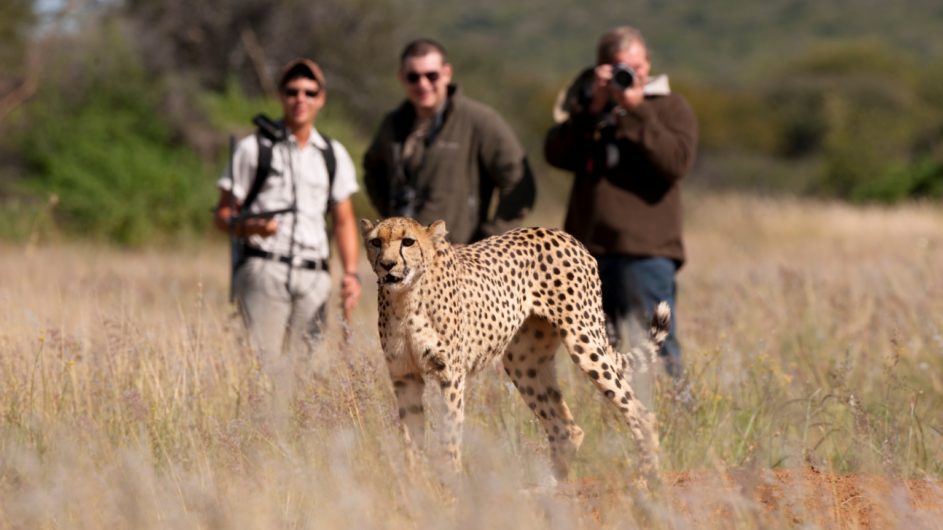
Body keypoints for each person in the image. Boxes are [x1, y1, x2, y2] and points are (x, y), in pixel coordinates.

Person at [544, 26, 698, 379]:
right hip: (588, 252)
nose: (630, 75)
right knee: (594, 346)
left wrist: (636, 110)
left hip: (648, 252)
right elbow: (556, 154)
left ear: (648, 65)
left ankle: (678, 415)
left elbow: (676, 163)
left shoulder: (670, 107)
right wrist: (591, 108)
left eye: (637, 67)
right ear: (601, 70)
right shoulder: (587, 110)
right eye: (618, 68)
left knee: (657, 343)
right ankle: (606, 421)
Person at [213, 58, 362, 372]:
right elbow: (223, 214)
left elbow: (344, 219)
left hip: (315, 275)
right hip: (265, 267)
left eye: (309, 92)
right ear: (281, 96)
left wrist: (351, 274)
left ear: (321, 98)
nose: (300, 99)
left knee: (304, 374)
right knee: (261, 369)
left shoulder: (332, 153)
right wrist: (247, 227)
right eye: (292, 91)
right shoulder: (254, 148)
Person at [363, 38, 536, 245]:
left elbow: (520, 184)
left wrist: (488, 241)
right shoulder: (392, 124)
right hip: (402, 258)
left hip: (459, 259)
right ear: (401, 78)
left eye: (431, 75)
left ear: (447, 73)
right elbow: (372, 170)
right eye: (413, 77)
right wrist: (389, 216)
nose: (423, 84)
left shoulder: (480, 121)